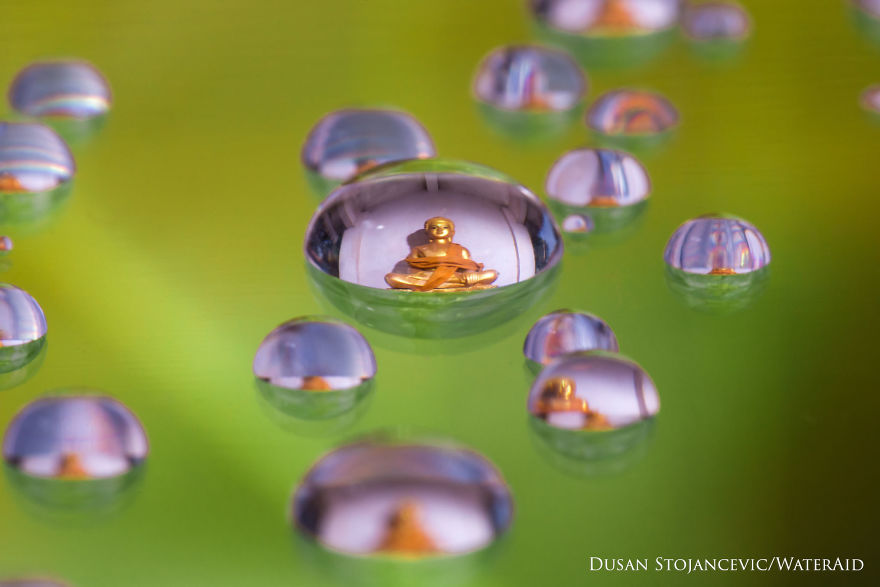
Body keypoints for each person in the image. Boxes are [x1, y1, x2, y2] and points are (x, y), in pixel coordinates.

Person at [385, 217, 498, 292]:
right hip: (426, 278)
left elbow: (469, 266)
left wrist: (470, 274)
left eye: (444, 227)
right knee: (391, 277)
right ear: (427, 232)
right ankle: (445, 286)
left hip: (457, 277)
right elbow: (411, 269)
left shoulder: (461, 249)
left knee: (492, 274)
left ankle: (438, 286)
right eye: (434, 227)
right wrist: (426, 275)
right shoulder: (419, 249)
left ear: (451, 232)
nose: (439, 230)